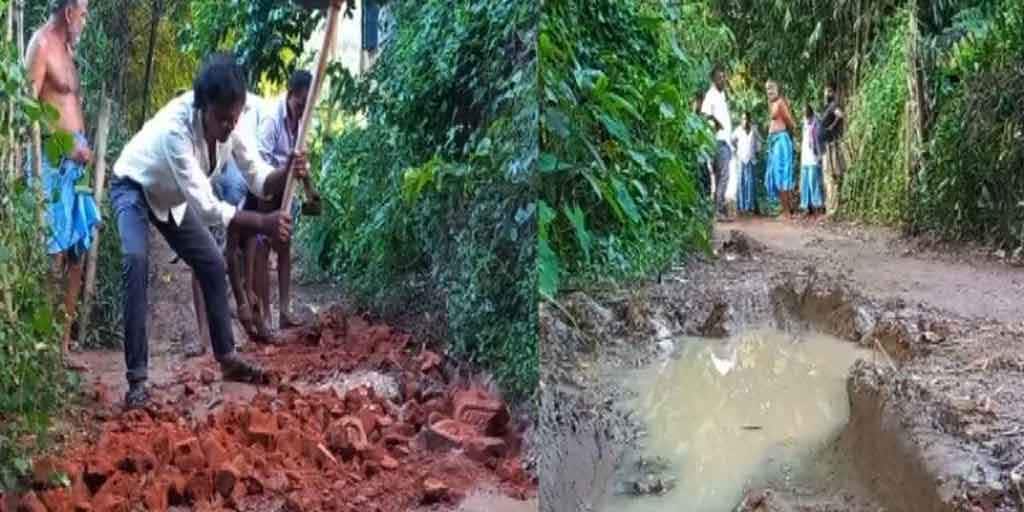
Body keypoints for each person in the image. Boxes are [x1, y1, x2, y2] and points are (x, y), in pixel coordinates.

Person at [109, 53, 308, 408]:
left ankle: (227, 358)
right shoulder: (176, 130)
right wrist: (262, 222)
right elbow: (207, 207)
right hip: (134, 186)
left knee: (213, 264)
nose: (229, 126)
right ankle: (137, 381)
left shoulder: (235, 123)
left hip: (170, 197)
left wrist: (288, 168)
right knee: (135, 261)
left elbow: (261, 181)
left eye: (234, 118)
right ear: (203, 108)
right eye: (222, 119)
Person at [25, 0, 101, 371]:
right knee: (51, 254)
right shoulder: (40, 45)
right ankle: (40, 349)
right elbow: (28, 109)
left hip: (77, 165)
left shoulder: (68, 50)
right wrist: (63, 143)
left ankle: (61, 346)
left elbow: (71, 101)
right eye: (84, 13)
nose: (86, 21)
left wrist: (82, 144)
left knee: (76, 251)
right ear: (70, 10)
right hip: (53, 164)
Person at [188, 92, 268, 356]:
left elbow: (248, 244)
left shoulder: (252, 179)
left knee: (235, 251)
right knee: (206, 259)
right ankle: (206, 338)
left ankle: (223, 333)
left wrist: (246, 293)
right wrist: (242, 297)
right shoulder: (235, 188)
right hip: (209, 190)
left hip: (233, 188)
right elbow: (231, 248)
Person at [249, 69, 320, 335]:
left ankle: (284, 312)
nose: (303, 110)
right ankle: (266, 315)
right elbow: (259, 166)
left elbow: (301, 161)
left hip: (285, 189)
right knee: (263, 247)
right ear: (290, 95)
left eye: (307, 105)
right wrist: (270, 200)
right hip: (264, 186)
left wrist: (309, 189)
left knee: (285, 245)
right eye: (300, 103)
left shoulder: (300, 121)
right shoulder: (271, 119)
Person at [701, 66, 734, 220]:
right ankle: (718, 210)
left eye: (724, 77)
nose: (724, 80)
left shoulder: (720, 95)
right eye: (720, 78)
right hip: (718, 141)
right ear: (713, 79)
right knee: (724, 176)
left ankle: (718, 209)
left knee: (721, 176)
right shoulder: (711, 95)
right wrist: (717, 124)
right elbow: (705, 115)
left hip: (723, 140)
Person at [763, 80, 797, 218]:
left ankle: (787, 212)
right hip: (775, 142)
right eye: (767, 89)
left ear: (778, 89)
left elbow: (789, 121)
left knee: (782, 175)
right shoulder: (772, 104)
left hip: (781, 141)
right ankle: (786, 210)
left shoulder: (780, 103)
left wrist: (788, 136)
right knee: (776, 175)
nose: (769, 91)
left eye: (771, 88)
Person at [820, 81, 846, 215]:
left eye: (829, 91)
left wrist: (832, 126)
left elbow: (840, 115)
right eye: (825, 91)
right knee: (826, 178)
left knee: (832, 177)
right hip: (824, 147)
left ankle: (833, 210)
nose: (826, 94)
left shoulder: (833, 105)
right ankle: (829, 207)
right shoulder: (826, 107)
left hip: (831, 146)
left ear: (834, 93)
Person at [731, 112, 760, 215]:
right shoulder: (738, 130)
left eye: (747, 119)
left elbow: (758, 143)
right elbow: (731, 141)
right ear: (741, 120)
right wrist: (735, 150)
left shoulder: (754, 130)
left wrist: (757, 153)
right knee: (741, 182)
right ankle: (741, 206)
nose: (745, 121)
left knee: (750, 183)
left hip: (751, 160)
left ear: (750, 120)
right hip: (741, 159)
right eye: (743, 119)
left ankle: (750, 206)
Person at [799, 104, 825, 215]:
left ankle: (818, 205)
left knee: (813, 181)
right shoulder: (804, 122)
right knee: (805, 182)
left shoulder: (816, 122)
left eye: (807, 114)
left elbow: (819, 139)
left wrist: (820, 155)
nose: (806, 116)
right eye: (804, 114)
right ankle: (806, 206)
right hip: (805, 156)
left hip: (814, 156)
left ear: (810, 112)